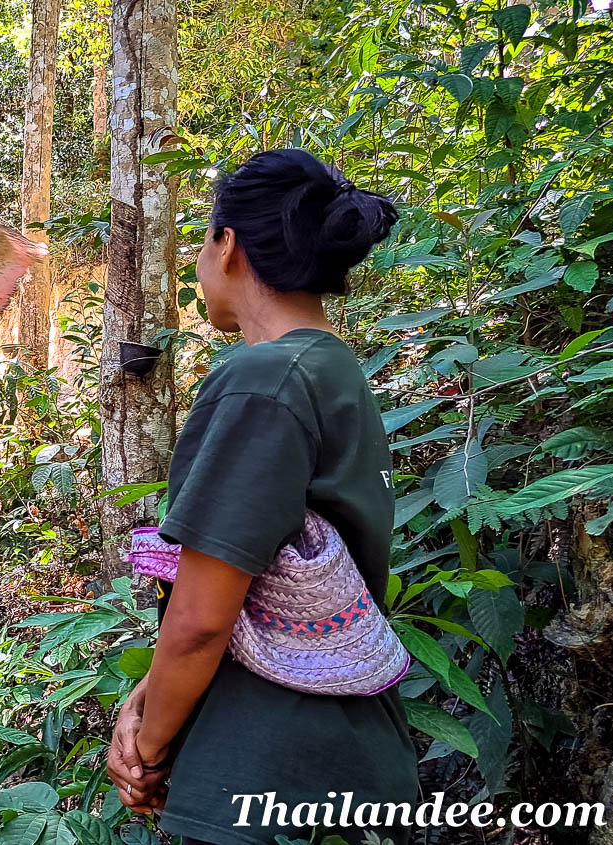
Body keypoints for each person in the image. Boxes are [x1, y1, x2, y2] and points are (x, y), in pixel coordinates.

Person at [104, 149, 419, 845]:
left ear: (229, 244)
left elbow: (201, 620)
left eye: (202, 238)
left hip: (270, 779)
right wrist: (146, 696)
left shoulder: (265, 380)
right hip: (350, 765)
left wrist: (144, 750)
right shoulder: (333, 370)